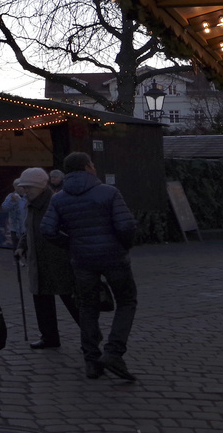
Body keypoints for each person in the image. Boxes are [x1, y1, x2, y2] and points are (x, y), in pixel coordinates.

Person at [43, 152, 137, 381]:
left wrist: (72, 244)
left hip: (82, 260)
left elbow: (47, 231)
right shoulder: (109, 192)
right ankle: (114, 352)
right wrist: (122, 246)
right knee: (126, 301)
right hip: (113, 257)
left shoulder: (58, 198)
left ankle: (91, 361)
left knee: (87, 307)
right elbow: (126, 226)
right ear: (87, 167)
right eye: (92, 164)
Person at [15, 166, 73, 350]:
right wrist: (21, 246)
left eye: (29, 187)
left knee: (71, 300)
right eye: (24, 187)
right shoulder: (31, 204)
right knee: (42, 302)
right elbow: (28, 229)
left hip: (58, 261)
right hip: (37, 261)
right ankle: (49, 337)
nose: (25, 190)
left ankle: (90, 336)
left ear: (41, 186)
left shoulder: (55, 202)